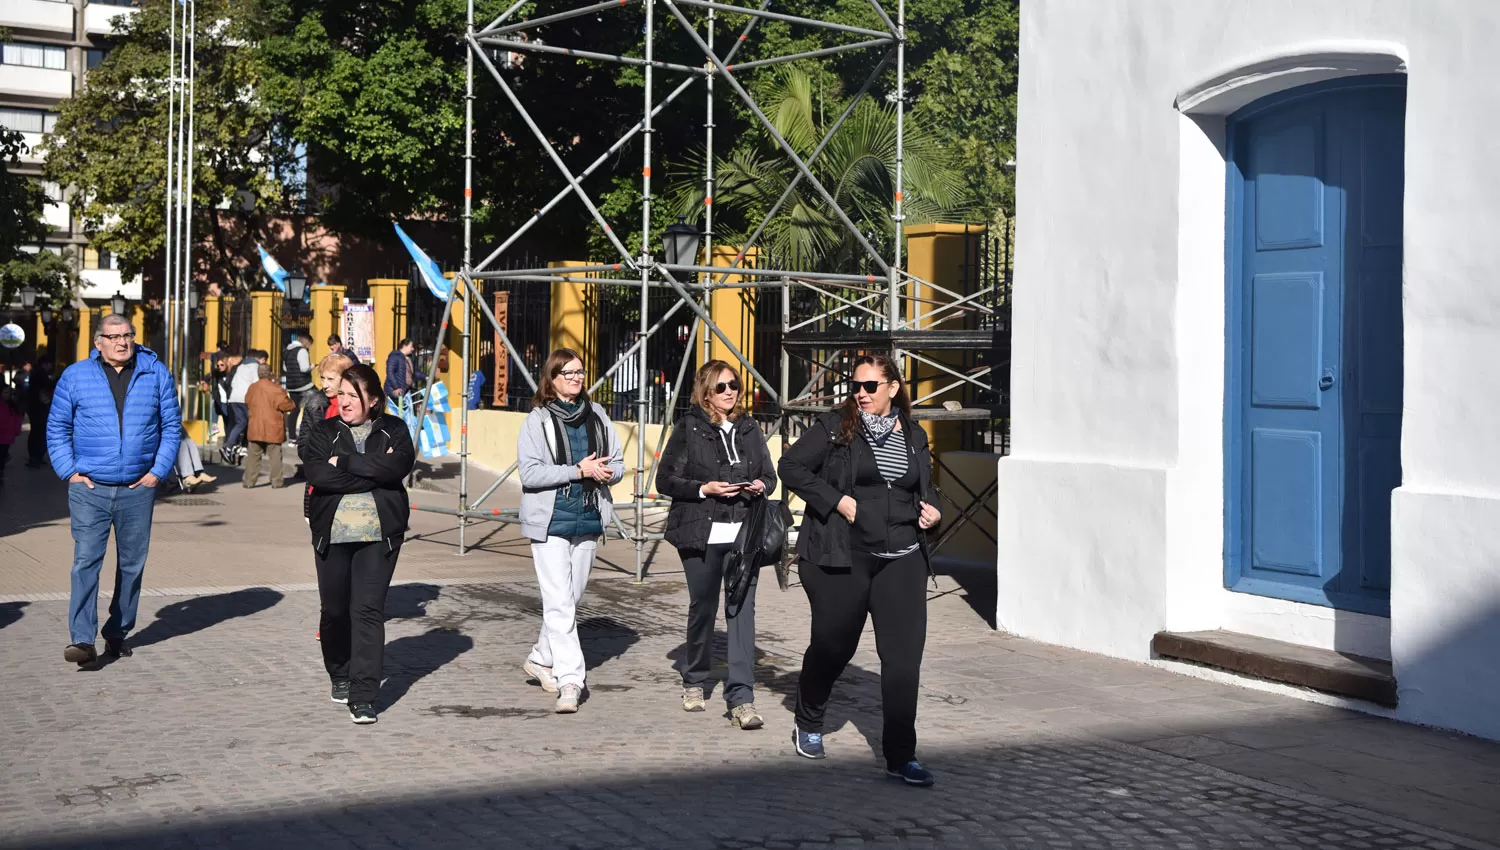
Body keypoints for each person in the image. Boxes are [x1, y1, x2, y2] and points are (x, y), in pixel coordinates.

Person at [777, 353, 943, 787]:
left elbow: (927, 484)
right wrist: (835, 500)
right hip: (842, 557)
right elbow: (790, 467)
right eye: (856, 386)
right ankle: (809, 719)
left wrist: (934, 511)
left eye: (870, 386)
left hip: (902, 558)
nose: (861, 394)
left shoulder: (913, 434)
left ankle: (901, 756)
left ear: (893, 388)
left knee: (904, 661)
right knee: (834, 648)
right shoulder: (835, 428)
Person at [48, 314, 181, 666]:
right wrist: (68, 471)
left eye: (128, 335)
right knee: (86, 561)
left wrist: (157, 472)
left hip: (138, 488)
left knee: (132, 565)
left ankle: (117, 632)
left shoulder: (156, 373)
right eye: (114, 336)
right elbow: (57, 427)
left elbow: (171, 426)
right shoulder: (75, 376)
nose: (122, 342)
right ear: (98, 342)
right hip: (89, 487)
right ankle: (81, 639)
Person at [656, 360, 776, 729]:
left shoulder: (750, 428)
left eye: (735, 386)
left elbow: (770, 476)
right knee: (703, 608)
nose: (730, 392)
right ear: (706, 391)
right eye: (722, 386)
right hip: (701, 534)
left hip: (745, 533)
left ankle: (742, 699)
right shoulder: (689, 428)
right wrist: (702, 488)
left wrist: (761, 486)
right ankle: (694, 678)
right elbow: (665, 480)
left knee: (742, 613)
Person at [300, 364, 416, 724]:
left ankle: (364, 695)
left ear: (374, 400)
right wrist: (372, 475)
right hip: (332, 534)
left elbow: (398, 467)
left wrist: (348, 463)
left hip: (379, 536)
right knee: (334, 611)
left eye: (354, 395)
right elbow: (318, 473)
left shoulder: (394, 429)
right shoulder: (324, 431)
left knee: (367, 610)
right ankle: (340, 672)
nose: (345, 401)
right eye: (343, 394)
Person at [517, 348, 624, 714]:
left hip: (589, 516)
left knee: (569, 600)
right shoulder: (537, 420)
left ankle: (540, 658)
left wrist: (607, 472)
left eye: (580, 372)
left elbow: (619, 463)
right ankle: (571, 681)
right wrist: (577, 470)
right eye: (568, 373)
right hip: (550, 521)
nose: (576, 379)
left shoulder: (598, 416)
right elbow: (530, 473)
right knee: (560, 603)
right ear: (552, 379)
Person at [244, 363, 295, 489]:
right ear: (270, 373)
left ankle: (249, 481)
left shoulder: (252, 388)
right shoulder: (275, 388)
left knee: (253, 456)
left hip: (255, 426)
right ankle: (276, 481)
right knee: (275, 456)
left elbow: (247, 401)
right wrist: (292, 403)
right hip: (273, 427)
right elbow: (286, 405)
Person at [224, 350, 265, 461]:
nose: (264, 363)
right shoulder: (255, 367)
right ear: (259, 359)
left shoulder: (241, 367)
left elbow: (232, 383)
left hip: (234, 398)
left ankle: (228, 446)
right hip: (246, 398)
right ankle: (246, 446)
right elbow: (257, 383)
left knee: (241, 423)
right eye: (264, 360)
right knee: (251, 423)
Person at [283, 333, 315, 441]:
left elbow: (285, 368)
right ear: (306, 341)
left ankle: (292, 436)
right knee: (317, 402)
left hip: (291, 385)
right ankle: (309, 432)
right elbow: (304, 368)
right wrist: (313, 366)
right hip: (304, 384)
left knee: (294, 410)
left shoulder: (287, 350)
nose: (309, 347)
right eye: (309, 344)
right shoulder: (302, 351)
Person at [24, 359, 52, 468]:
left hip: (35, 407)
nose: (50, 366)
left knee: (36, 432)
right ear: (44, 364)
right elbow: (48, 384)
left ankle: (35, 456)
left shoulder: (36, 373)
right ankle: (36, 457)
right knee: (38, 432)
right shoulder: (40, 374)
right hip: (38, 407)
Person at [383, 338, 423, 405]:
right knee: (399, 412)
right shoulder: (395, 357)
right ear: (404, 346)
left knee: (403, 412)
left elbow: (413, 372)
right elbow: (390, 373)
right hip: (396, 391)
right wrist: (396, 387)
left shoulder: (407, 358)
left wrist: (425, 377)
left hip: (404, 391)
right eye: (411, 346)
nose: (413, 349)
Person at [0, 382, 22, 485]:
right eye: (5, 392)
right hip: (3, 434)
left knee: (3, 454)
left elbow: (17, 420)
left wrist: (16, 431)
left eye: (9, 393)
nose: (7, 395)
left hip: (6, 436)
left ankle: (1, 472)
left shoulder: (13, 406)